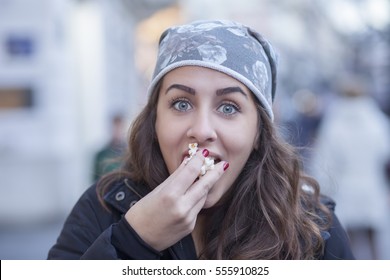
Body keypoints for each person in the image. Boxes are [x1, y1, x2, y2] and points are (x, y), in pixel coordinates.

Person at [48, 20, 354, 260]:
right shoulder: (102, 208)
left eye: (228, 107)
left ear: (259, 133)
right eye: (181, 103)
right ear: (155, 120)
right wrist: (133, 240)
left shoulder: (313, 228)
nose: (202, 129)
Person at [310, 77, 390, 259]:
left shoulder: (334, 124)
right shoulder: (377, 122)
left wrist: (323, 190)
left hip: (345, 187)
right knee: (373, 240)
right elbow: (385, 153)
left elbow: (325, 160)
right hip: (372, 185)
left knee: (349, 241)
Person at [92, 114, 126, 181]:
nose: (117, 131)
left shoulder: (130, 154)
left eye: (120, 127)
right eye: (115, 127)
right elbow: (95, 180)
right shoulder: (101, 155)